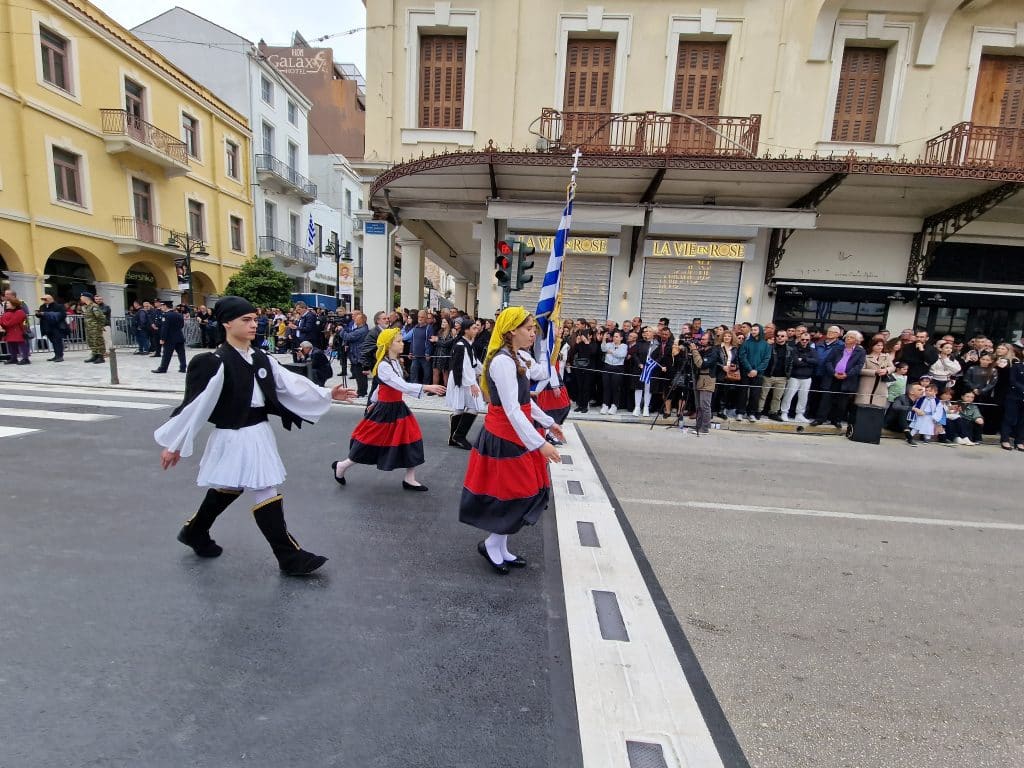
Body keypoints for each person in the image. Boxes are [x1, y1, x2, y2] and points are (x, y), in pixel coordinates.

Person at [155, 296, 357, 576]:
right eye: (246, 320)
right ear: (226, 323)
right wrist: (174, 445)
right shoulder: (214, 362)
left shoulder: (261, 357)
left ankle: (195, 531)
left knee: (231, 486)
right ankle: (289, 557)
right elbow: (194, 406)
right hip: (235, 434)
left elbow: (290, 383)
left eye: (255, 319)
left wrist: (326, 393)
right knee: (264, 487)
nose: (254, 324)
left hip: (258, 431)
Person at [459, 308, 563, 575]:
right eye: (529, 329)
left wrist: (550, 423)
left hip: (518, 433)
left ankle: (498, 545)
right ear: (511, 330)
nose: (533, 333)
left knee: (518, 493)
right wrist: (540, 444)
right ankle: (493, 543)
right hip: (505, 436)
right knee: (513, 493)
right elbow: (512, 409)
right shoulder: (502, 362)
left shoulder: (518, 357)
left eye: (533, 329)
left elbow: (526, 401)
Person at [331, 328, 445, 490]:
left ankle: (410, 478)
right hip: (385, 409)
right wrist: (427, 387)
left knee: (411, 439)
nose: (402, 343)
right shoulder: (384, 365)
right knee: (369, 441)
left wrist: (373, 400)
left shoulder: (395, 362)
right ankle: (342, 466)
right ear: (388, 345)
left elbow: (381, 386)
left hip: (398, 407)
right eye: (398, 341)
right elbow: (399, 385)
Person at [812, 330, 866, 429]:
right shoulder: (837, 348)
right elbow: (828, 362)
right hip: (832, 377)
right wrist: (834, 372)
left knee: (841, 402)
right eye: (847, 336)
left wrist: (847, 374)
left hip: (847, 379)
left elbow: (859, 366)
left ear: (857, 341)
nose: (848, 338)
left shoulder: (860, 351)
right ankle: (820, 419)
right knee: (826, 399)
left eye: (851, 337)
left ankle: (836, 420)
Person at [446, 317, 485, 449]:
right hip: (463, 380)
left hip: (464, 379)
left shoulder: (467, 343)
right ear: (466, 330)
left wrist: (485, 370)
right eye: (474, 328)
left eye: (477, 328)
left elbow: (473, 362)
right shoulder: (461, 345)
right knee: (474, 406)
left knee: (460, 407)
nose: (476, 330)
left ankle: (454, 438)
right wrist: (472, 384)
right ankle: (459, 436)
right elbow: (464, 367)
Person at [779, 331, 815, 422]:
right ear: (799, 339)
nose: (804, 341)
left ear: (809, 340)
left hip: (807, 377)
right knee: (788, 395)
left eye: (807, 340)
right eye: (803, 339)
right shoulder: (793, 349)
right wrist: (808, 362)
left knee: (803, 397)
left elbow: (816, 362)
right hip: (794, 377)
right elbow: (795, 362)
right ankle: (784, 412)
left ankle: (799, 414)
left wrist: (804, 359)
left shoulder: (813, 350)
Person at [737, 323, 769, 420]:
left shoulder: (766, 345)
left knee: (755, 394)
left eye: (755, 330)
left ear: (760, 331)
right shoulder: (746, 343)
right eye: (752, 330)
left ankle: (751, 413)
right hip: (746, 372)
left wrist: (757, 370)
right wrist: (750, 369)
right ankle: (740, 412)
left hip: (758, 373)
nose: (753, 332)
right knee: (743, 393)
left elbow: (766, 359)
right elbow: (742, 357)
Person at [757, 329, 792, 419]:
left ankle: (774, 413)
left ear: (786, 338)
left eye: (782, 336)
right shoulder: (769, 347)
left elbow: (791, 363)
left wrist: (788, 374)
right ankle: (758, 411)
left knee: (777, 397)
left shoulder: (790, 350)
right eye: (778, 336)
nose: (779, 337)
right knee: (762, 395)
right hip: (768, 375)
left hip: (782, 377)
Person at [855, 337, 895, 408]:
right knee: (863, 406)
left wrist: (886, 370)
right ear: (872, 346)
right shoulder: (865, 357)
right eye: (877, 345)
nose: (880, 347)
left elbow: (892, 367)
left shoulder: (886, 356)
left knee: (876, 408)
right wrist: (875, 372)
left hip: (881, 385)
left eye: (881, 345)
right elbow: (860, 370)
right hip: (867, 385)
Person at [999, 341, 1024, 451]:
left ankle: (1020, 441)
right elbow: (1012, 381)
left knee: (1022, 421)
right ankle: (1005, 439)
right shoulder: (1017, 366)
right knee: (1009, 418)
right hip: (1014, 396)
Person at [152, 301, 186, 374]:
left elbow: (165, 328)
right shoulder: (179, 314)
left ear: (165, 306)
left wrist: (162, 338)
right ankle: (183, 367)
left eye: (162, 306)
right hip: (179, 336)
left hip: (169, 338)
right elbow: (182, 325)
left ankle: (163, 368)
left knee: (166, 354)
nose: (161, 308)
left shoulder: (166, 315)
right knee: (181, 353)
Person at [599, 329, 627, 415]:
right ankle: (605, 405)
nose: (614, 338)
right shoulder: (609, 344)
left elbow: (622, 355)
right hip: (607, 366)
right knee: (606, 386)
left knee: (615, 387)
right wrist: (604, 339)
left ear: (621, 338)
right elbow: (603, 349)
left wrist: (611, 352)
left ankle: (614, 405)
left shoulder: (624, 346)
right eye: (614, 336)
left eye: (617, 337)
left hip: (618, 368)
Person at [343, 312, 370, 396]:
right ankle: (361, 391)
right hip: (356, 354)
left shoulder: (362, 330)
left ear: (362, 320)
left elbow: (348, 337)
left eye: (357, 318)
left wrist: (341, 331)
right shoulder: (359, 328)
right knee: (358, 374)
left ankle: (362, 392)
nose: (354, 320)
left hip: (359, 355)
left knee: (360, 374)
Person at [36, 294, 67, 362]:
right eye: (43, 299)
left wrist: (47, 314)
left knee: (57, 341)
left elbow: (63, 315)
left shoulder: (58, 306)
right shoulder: (42, 306)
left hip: (56, 326)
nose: (44, 301)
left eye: (45, 299)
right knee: (53, 341)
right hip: (47, 327)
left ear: (51, 299)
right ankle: (56, 355)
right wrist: (38, 314)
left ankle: (60, 356)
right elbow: (40, 315)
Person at [78, 292, 106, 364]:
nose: (81, 298)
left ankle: (100, 357)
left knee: (98, 341)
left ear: (86, 298)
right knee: (91, 342)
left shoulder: (94, 306)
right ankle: (95, 355)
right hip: (89, 328)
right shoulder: (87, 307)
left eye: (82, 297)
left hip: (95, 328)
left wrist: (99, 327)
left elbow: (101, 317)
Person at [1, 299, 29, 365]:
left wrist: (4, 323)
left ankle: (25, 358)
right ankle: (14, 358)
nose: (6, 305)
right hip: (10, 331)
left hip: (18, 331)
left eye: (8, 303)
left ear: (14, 304)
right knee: (11, 345)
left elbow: (12, 321)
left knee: (22, 345)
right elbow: (1, 320)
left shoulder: (20, 312)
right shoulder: (7, 312)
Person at [431, 317, 455, 387]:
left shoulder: (451, 333)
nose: (443, 323)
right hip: (437, 354)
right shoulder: (440, 332)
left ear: (449, 324)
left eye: (445, 322)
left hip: (446, 355)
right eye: (442, 322)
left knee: (445, 373)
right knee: (435, 372)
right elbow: (437, 343)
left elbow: (447, 344)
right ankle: (434, 389)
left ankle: (446, 390)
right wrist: (436, 341)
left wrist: (437, 340)